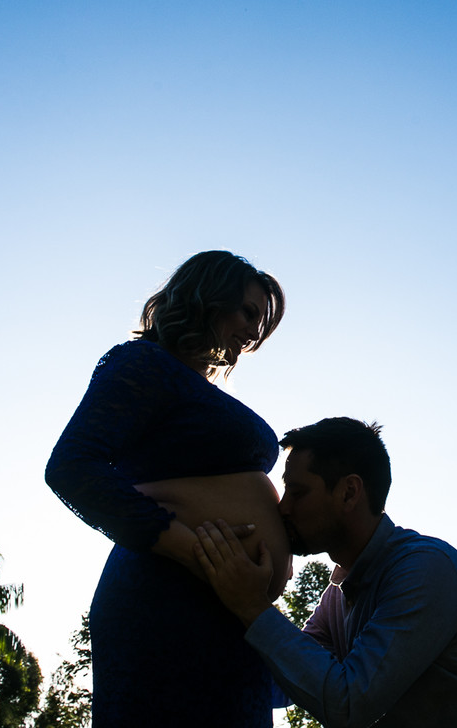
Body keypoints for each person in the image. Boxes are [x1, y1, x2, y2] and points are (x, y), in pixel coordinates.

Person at [45, 250, 291, 728]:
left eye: (259, 323)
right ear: (206, 298)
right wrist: (193, 550)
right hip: (165, 603)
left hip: (229, 610)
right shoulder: (142, 364)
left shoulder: (193, 390)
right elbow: (72, 468)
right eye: (247, 313)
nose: (252, 333)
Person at [194, 417, 457, 728]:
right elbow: (287, 682)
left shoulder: (424, 569)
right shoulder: (337, 597)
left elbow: (349, 704)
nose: (284, 508)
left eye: (298, 492)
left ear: (348, 492)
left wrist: (252, 605)